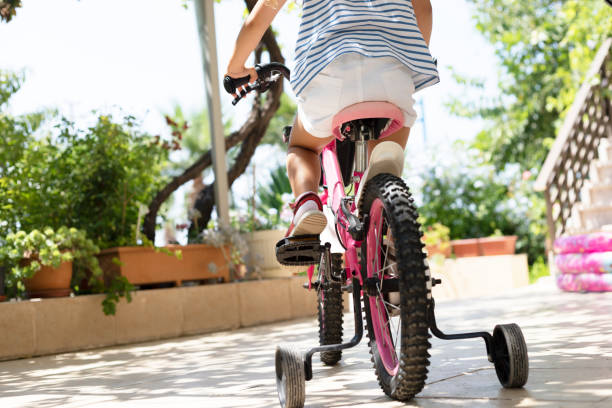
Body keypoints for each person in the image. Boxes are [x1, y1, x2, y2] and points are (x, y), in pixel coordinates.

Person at [226, 0, 439, 238]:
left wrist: (235, 69)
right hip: (392, 73)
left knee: (302, 146)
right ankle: (384, 212)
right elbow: (424, 9)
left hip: (330, 73)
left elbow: (257, 20)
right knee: (385, 151)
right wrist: (413, 61)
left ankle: (306, 203)